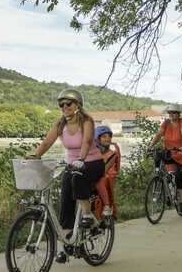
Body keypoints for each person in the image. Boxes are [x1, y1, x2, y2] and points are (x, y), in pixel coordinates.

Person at [32, 89, 105, 240]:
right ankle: (67, 238)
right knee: (65, 194)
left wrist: (82, 159)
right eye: (61, 104)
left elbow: (86, 141)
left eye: (68, 103)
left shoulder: (86, 121)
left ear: (78, 104)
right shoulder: (60, 124)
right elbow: (47, 142)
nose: (64, 106)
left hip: (93, 163)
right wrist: (35, 156)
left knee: (77, 177)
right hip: (73, 165)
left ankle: (87, 215)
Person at [147, 104, 182, 213]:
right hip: (170, 153)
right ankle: (168, 193)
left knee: (179, 176)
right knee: (167, 172)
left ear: (178, 114)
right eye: (170, 113)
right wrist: (150, 146)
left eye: (174, 113)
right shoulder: (166, 123)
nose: (171, 114)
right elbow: (158, 135)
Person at [94, 125, 121, 218]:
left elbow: (114, 169)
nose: (108, 138)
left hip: (107, 178)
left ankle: (106, 208)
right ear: (97, 139)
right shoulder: (92, 154)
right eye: (104, 136)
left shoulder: (113, 154)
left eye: (109, 136)